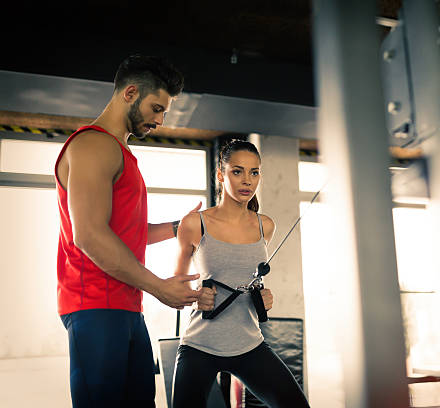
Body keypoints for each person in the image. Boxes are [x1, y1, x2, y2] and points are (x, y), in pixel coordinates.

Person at [54, 54, 203, 408]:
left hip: (124, 304)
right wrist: (160, 288)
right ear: (130, 93)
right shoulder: (93, 145)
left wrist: (176, 228)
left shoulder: (119, 151)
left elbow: (125, 233)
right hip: (95, 304)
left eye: (164, 112)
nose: (160, 120)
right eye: (156, 108)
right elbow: (89, 235)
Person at [172, 139, 310, 408]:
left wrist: (264, 297)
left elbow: (252, 279)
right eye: (237, 171)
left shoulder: (265, 226)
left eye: (254, 172)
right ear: (221, 174)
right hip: (200, 345)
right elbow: (176, 288)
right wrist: (195, 296)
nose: (247, 180)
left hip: (249, 345)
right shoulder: (194, 223)